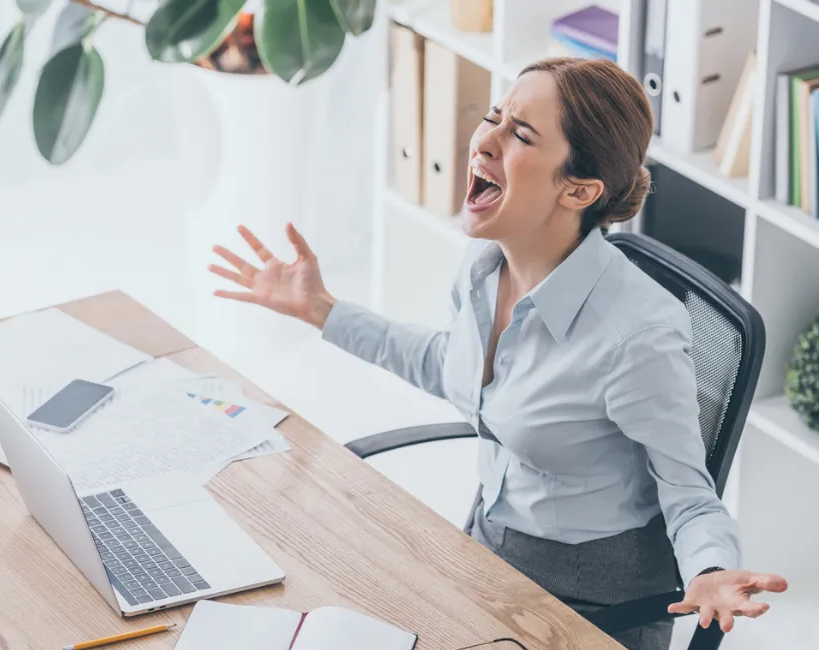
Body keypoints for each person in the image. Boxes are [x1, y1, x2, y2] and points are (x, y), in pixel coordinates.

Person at [208, 57, 788, 650]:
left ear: (580, 189)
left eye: (521, 134)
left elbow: (689, 493)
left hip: (594, 606)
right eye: (494, 117)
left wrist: (711, 571)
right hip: (486, 551)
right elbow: (445, 364)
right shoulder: (487, 266)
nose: (485, 139)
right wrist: (321, 309)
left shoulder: (637, 335)